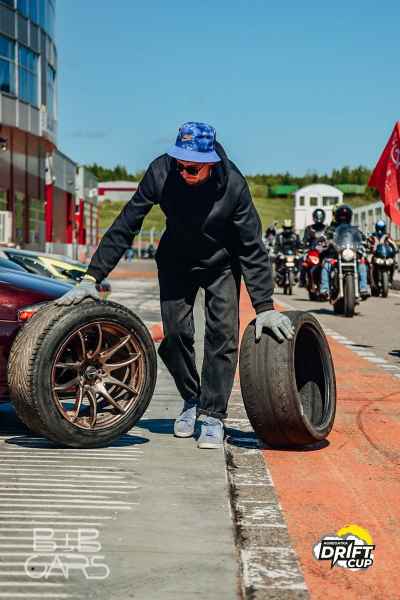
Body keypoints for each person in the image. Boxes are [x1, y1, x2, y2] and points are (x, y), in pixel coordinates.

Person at [55, 121, 294, 449]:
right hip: (176, 261)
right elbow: (127, 223)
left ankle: (213, 415)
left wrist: (264, 306)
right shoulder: (160, 172)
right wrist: (92, 277)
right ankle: (192, 399)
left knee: (222, 336)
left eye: (192, 168)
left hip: (222, 264)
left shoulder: (234, 186)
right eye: (179, 165)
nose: (183, 172)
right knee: (177, 335)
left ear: (211, 164)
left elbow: (251, 246)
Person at [319, 204, 369, 300]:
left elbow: (361, 237)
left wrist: (365, 240)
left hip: (350, 253)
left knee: (362, 264)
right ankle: (325, 289)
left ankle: (363, 288)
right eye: (342, 216)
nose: (343, 218)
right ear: (337, 217)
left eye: (345, 216)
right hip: (336, 255)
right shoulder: (331, 229)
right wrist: (324, 240)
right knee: (326, 265)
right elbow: (324, 237)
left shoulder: (354, 229)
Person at [299, 208, 327, 287]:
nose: (318, 219)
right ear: (314, 217)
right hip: (312, 251)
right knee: (303, 261)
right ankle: (302, 280)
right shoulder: (309, 228)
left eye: (320, 217)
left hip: (324, 251)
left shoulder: (326, 228)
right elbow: (305, 240)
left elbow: (331, 238)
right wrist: (304, 247)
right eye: (317, 217)